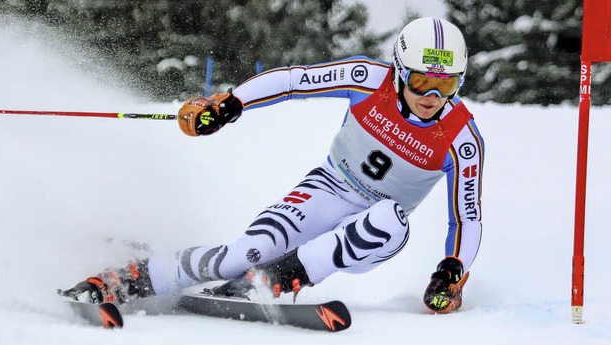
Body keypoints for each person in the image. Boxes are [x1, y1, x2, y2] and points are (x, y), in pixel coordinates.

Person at [61, 17, 484, 314]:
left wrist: (452, 271)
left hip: (371, 233)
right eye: (420, 81)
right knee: (245, 252)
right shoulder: (365, 79)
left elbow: (466, 217)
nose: (431, 95)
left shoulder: (462, 139)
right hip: (326, 190)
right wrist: (228, 103)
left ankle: (278, 278)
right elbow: (293, 80)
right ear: (397, 71)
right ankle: (130, 279)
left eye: (445, 83)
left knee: (391, 217)